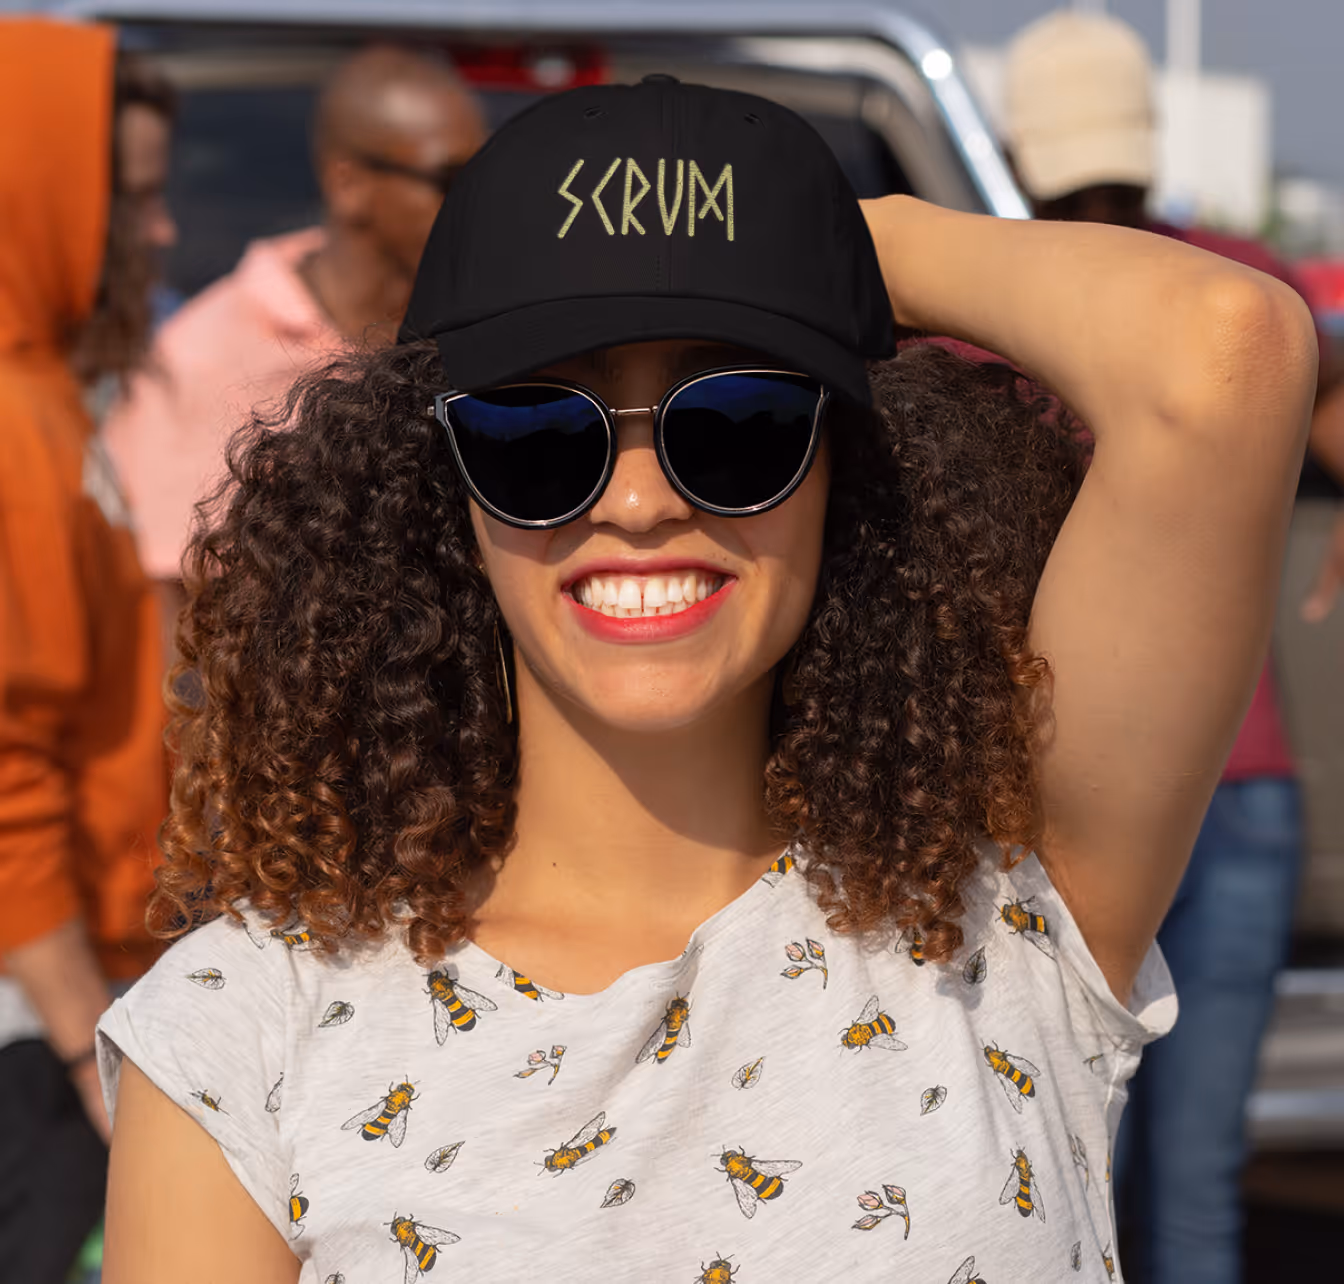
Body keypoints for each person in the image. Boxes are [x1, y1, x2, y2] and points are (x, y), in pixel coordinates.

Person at [96, 76, 1314, 1283]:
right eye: (537, 435)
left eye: (740, 423)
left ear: (844, 465)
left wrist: (831, 243)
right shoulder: (242, 1031)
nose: (638, 503)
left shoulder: (1004, 916)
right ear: (440, 489)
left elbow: (1227, 350)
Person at [1001, 12, 1330, 1284]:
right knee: (1189, 1199)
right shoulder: (1240, 292)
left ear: (1021, 151)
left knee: (1073, 1187)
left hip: (1065, 800)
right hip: (1237, 793)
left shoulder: (990, 315)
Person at [102, 44, 487, 659]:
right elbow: (168, 624)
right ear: (349, 185)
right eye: (449, 180)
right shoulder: (201, 357)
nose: (475, 205)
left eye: (483, 179)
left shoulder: (485, 327)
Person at [0, 18, 176, 1284]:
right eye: (132, 199)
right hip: (38, 1028)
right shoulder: (11, 422)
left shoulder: (46, 392)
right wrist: (86, 1050)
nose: (159, 234)